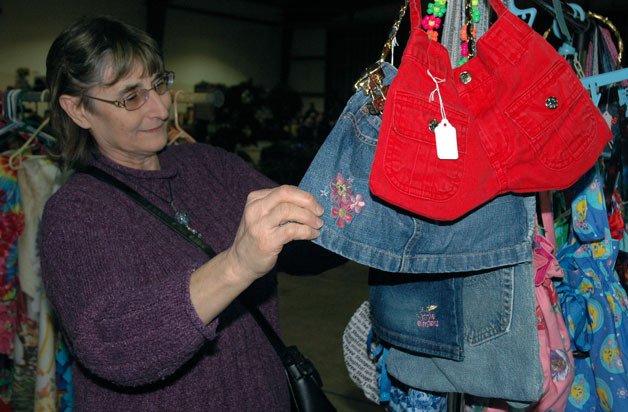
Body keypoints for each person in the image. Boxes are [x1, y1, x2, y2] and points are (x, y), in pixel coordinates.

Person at [40, 15, 337, 410]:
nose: (161, 108)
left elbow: (304, 251)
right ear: (77, 110)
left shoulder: (209, 166)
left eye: (159, 83)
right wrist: (236, 266)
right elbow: (111, 348)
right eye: (131, 97)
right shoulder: (74, 214)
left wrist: (365, 211)